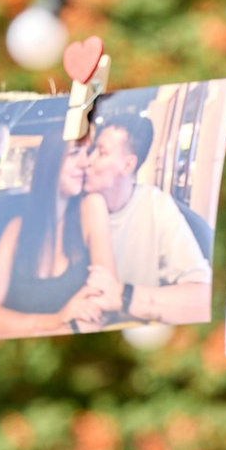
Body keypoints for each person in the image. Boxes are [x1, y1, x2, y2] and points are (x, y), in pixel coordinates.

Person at [0, 119, 121, 342]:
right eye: (74, 154)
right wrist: (56, 319)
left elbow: (104, 299)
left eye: (88, 152)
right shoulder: (16, 230)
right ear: (51, 163)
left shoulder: (91, 207)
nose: (86, 162)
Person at [85, 97, 214, 325]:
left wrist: (123, 296)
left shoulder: (157, 206)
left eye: (101, 153)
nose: (88, 161)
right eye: (93, 150)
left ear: (128, 165)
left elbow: (203, 297)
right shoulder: (75, 205)